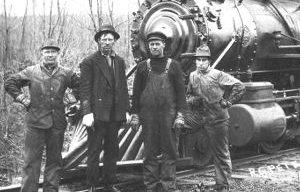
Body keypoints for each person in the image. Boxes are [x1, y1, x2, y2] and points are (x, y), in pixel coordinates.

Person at [4, 39, 80, 192]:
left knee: (54, 161)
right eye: (47, 52)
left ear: (58, 54)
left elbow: (81, 85)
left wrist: (72, 98)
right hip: (35, 123)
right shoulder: (31, 71)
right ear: (42, 54)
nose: (50, 55)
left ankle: (51, 190)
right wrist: (24, 100)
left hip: (57, 123)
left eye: (53, 52)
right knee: (31, 161)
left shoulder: (66, 73)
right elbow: (10, 83)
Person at [129, 30, 186, 192]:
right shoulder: (142, 67)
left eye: (157, 44)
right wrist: (135, 115)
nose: (154, 47)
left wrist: (180, 116)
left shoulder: (173, 66)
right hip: (148, 117)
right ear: (148, 46)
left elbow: (181, 95)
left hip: (169, 116)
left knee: (170, 151)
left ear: (163, 45)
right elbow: (136, 93)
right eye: (151, 44)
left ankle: (169, 186)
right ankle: (151, 186)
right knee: (149, 153)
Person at [185, 45, 245, 192]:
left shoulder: (218, 75)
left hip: (217, 119)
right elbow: (188, 95)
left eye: (203, 60)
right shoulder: (193, 75)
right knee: (176, 122)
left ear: (209, 61)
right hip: (199, 117)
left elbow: (239, 86)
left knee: (221, 153)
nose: (200, 63)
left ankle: (222, 185)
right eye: (198, 60)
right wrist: (192, 101)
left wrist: (229, 101)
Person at [79, 24, 130, 192]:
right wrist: (87, 113)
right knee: (94, 150)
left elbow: (122, 88)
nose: (107, 42)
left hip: (115, 114)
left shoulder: (120, 61)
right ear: (98, 41)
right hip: (97, 114)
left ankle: (109, 182)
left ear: (114, 41)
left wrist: (126, 110)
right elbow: (84, 90)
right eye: (104, 40)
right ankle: (92, 184)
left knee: (112, 149)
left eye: (110, 39)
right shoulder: (89, 62)